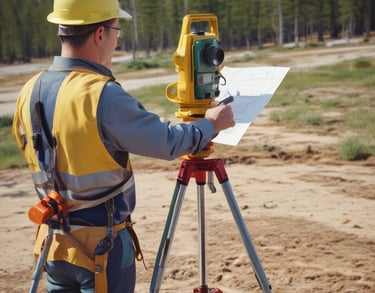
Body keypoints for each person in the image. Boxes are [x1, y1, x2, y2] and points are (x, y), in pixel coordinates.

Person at [12, 0, 235, 292]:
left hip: (53, 244)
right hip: (101, 249)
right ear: (100, 34)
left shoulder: (29, 90)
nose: (118, 41)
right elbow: (167, 142)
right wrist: (210, 125)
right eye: (118, 31)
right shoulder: (101, 94)